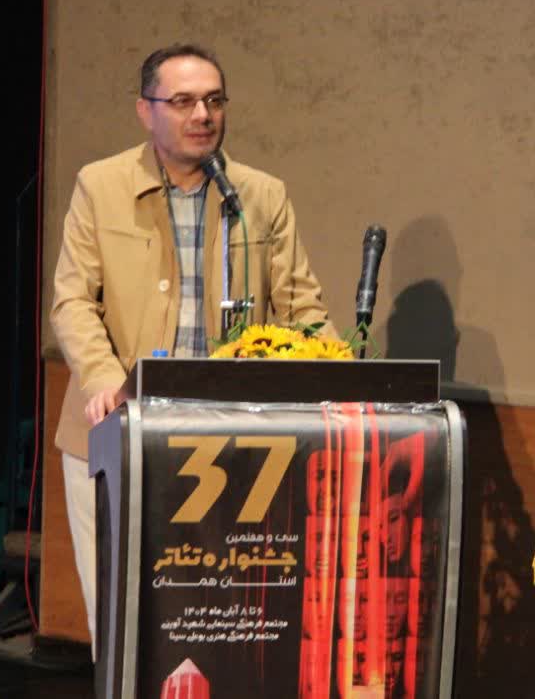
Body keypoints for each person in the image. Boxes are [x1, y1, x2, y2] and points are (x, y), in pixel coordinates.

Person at [50, 43, 333, 645]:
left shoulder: (260, 196)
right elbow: (72, 301)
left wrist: (347, 383)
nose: (202, 114)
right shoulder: (100, 186)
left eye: (213, 100)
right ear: (145, 111)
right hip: (118, 430)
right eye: (182, 101)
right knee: (126, 624)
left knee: (219, 626)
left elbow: (303, 313)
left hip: (233, 446)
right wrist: (104, 379)